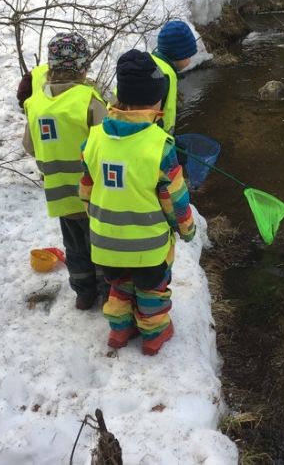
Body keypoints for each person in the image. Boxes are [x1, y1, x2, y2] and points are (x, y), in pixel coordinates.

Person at [79, 49, 196, 355]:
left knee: (119, 286)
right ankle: (154, 334)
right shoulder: (160, 146)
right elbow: (174, 199)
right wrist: (186, 229)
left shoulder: (93, 139)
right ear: (156, 100)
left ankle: (119, 332)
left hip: (105, 243)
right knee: (151, 290)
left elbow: (86, 190)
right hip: (148, 246)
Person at [23, 33, 108, 310]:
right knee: (100, 245)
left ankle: (84, 295)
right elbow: (108, 147)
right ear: (83, 67)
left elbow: (31, 147)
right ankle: (108, 294)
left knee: (74, 246)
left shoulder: (35, 105)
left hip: (60, 194)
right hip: (94, 194)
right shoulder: (89, 100)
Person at [151, 20, 198, 134]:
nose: (190, 60)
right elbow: (149, 118)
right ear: (178, 55)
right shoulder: (162, 78)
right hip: (154, 145)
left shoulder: (154, 62)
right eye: (188, 56)